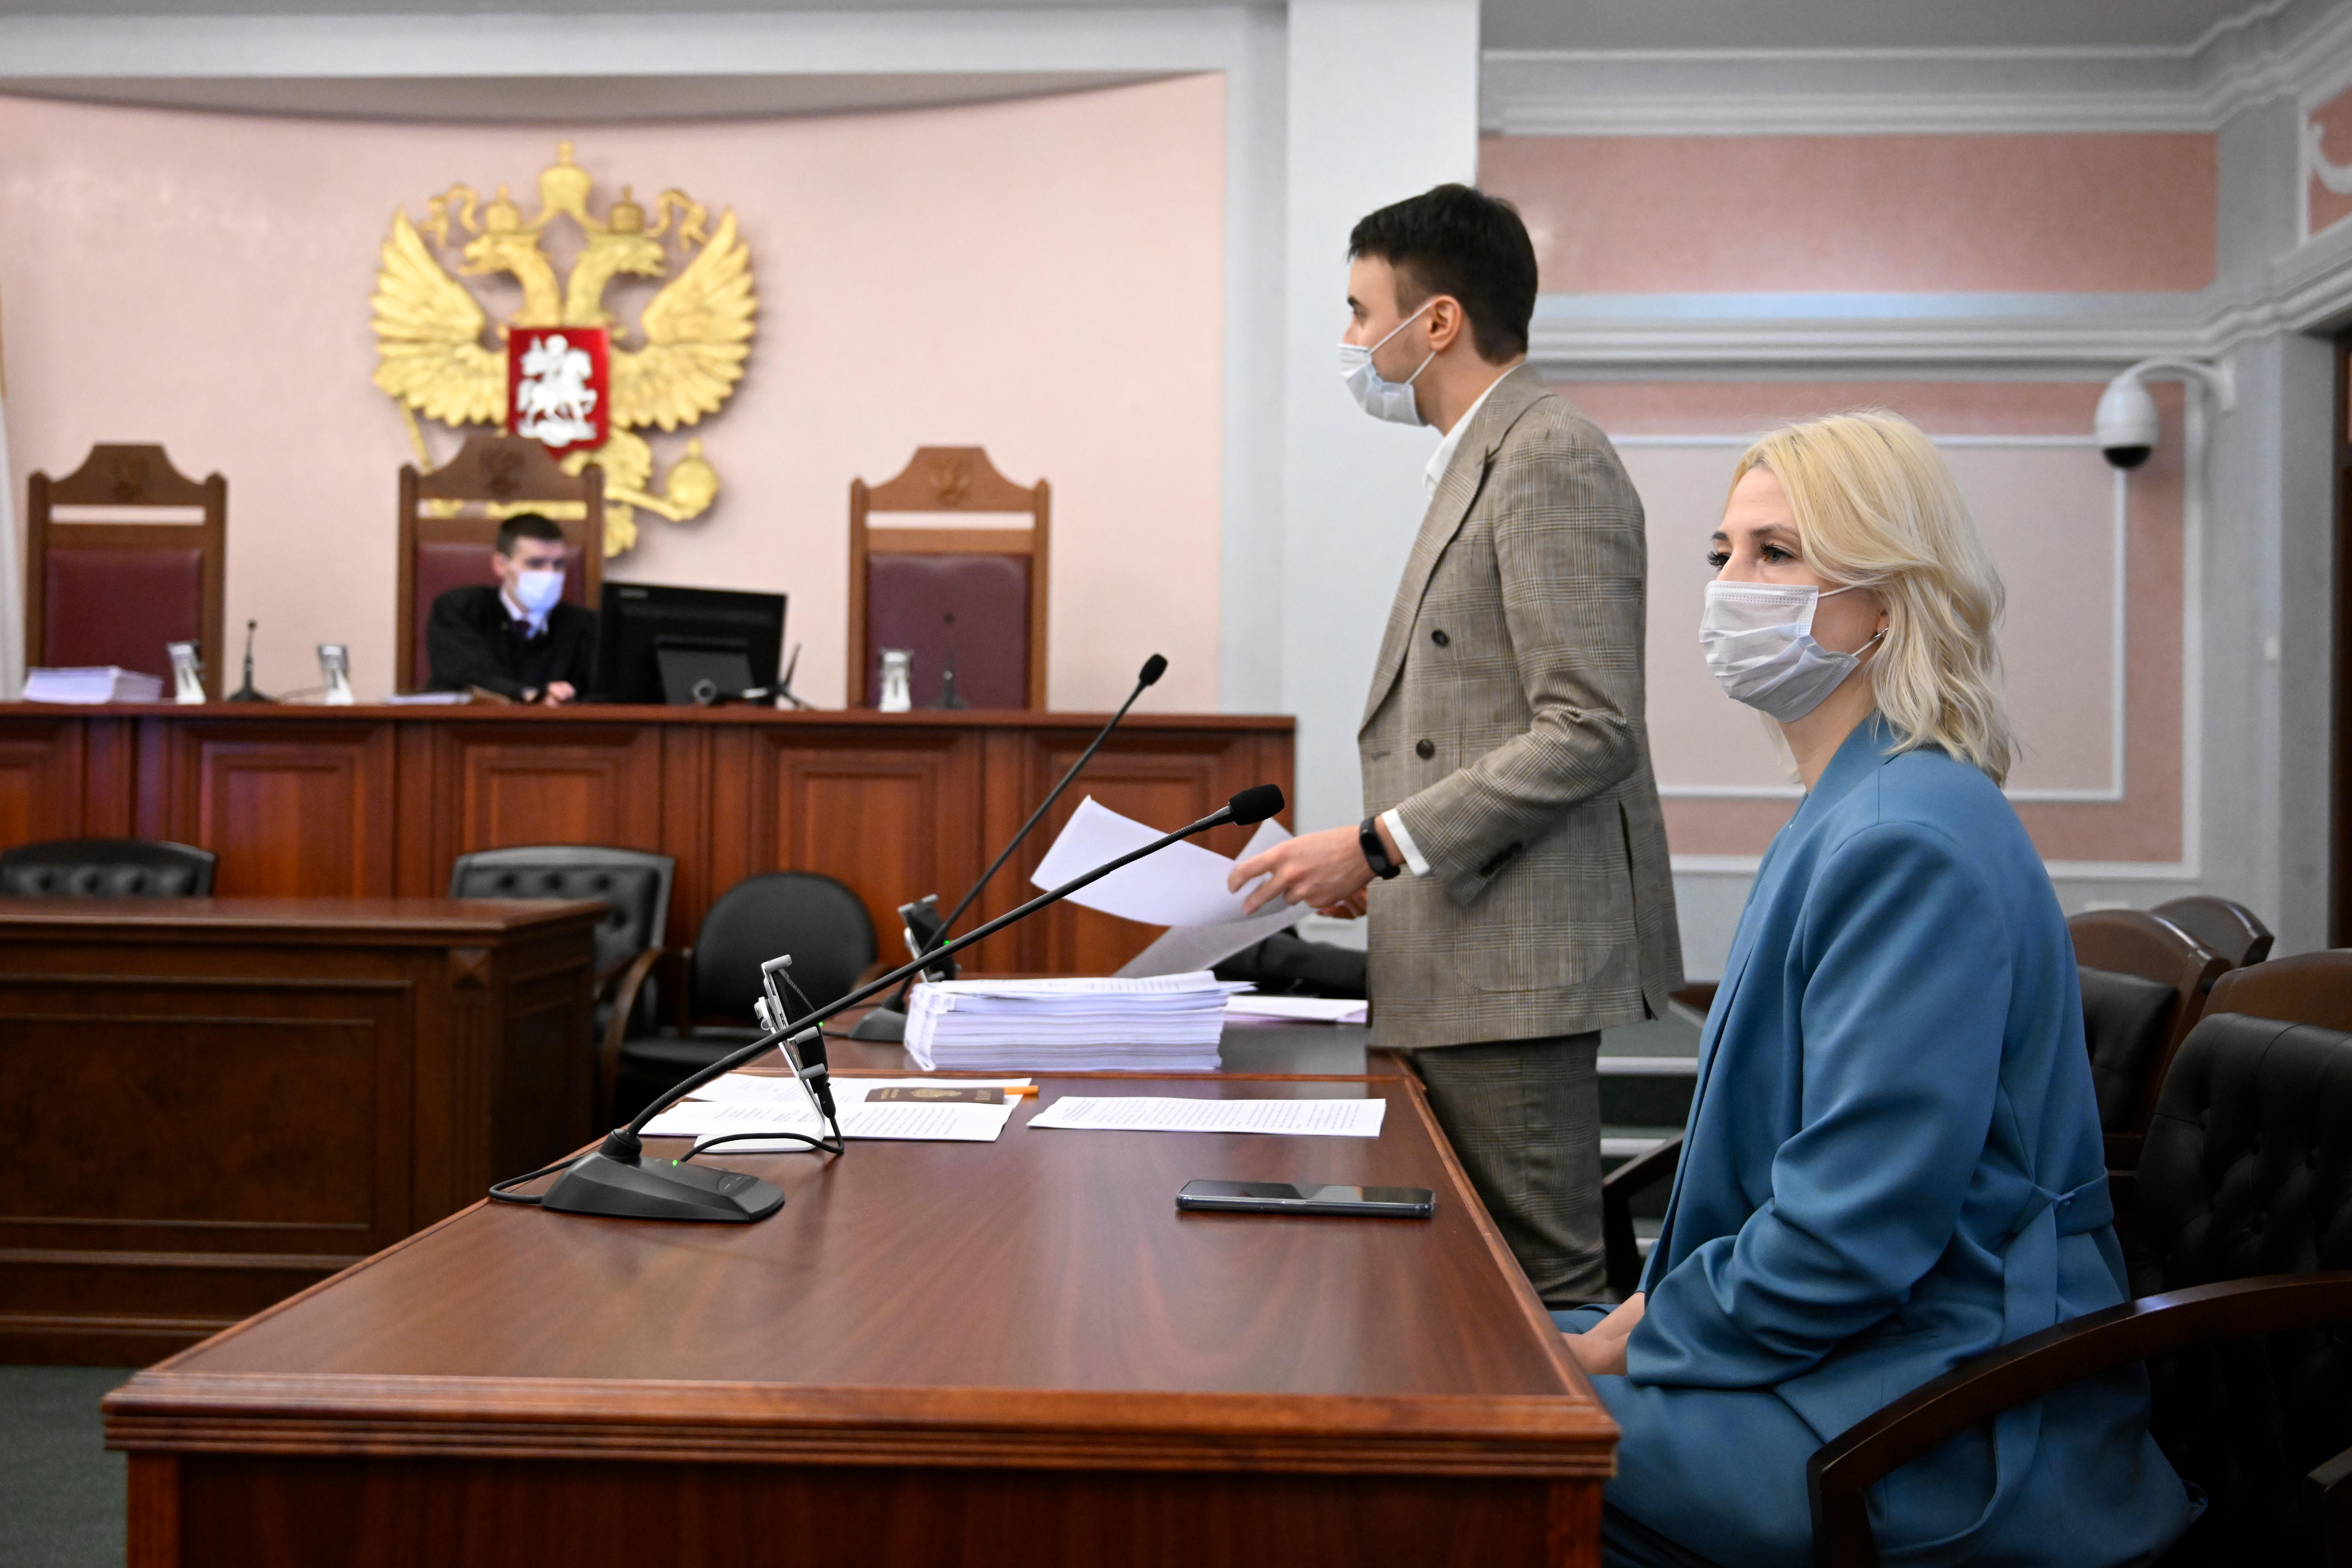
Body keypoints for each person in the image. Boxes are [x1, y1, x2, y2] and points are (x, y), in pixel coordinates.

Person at [1561, 412, 2199, 1568]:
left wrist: (1638, 1336)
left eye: (1776, 554)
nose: (1728, 588)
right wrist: (1625, 1326)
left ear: (1888, 602)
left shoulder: (1905, 836)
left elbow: (1851, 1234)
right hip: (1857, 1357)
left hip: (1937, 1409)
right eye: (1722, 555)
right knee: (1475, 1365)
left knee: (1460, 1440)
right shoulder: (1862, 805)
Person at [1230, 183, 1682, 1307]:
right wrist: (1378, 865)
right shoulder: (1485, 456)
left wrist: (1380, 845)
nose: (1346, 340)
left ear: (1434, 320)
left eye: (1355, 309)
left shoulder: (1547, 453)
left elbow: (1589, 726)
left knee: (1538, 1294)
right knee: (1461, 1286)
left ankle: (1593, 1492)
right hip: (1457, 947)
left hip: (1515, 967)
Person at [425, 513, 596, 705]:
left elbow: (598, 693)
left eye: (558, 565)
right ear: (501, 565)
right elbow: (465, 674)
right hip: (470, 731)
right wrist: (530, 696)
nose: (549, 574)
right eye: (536, 564)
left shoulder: (585, 625)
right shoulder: (461, 609)